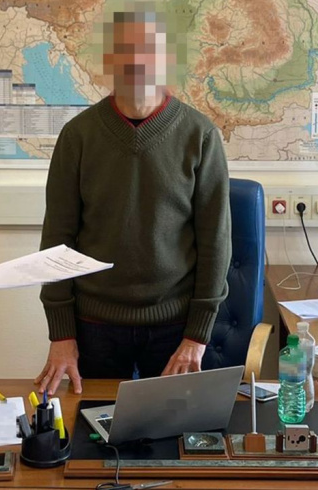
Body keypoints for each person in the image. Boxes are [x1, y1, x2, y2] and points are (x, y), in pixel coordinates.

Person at [35, 4, 231, 395]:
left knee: (173, 430)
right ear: (109, 59)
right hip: (95, 325)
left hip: (175, 327)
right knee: (91, 427)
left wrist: (197, 336)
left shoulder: (201, 135)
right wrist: (61, 334)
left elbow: (215, 243)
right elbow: (57, 240)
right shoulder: (78, 136)